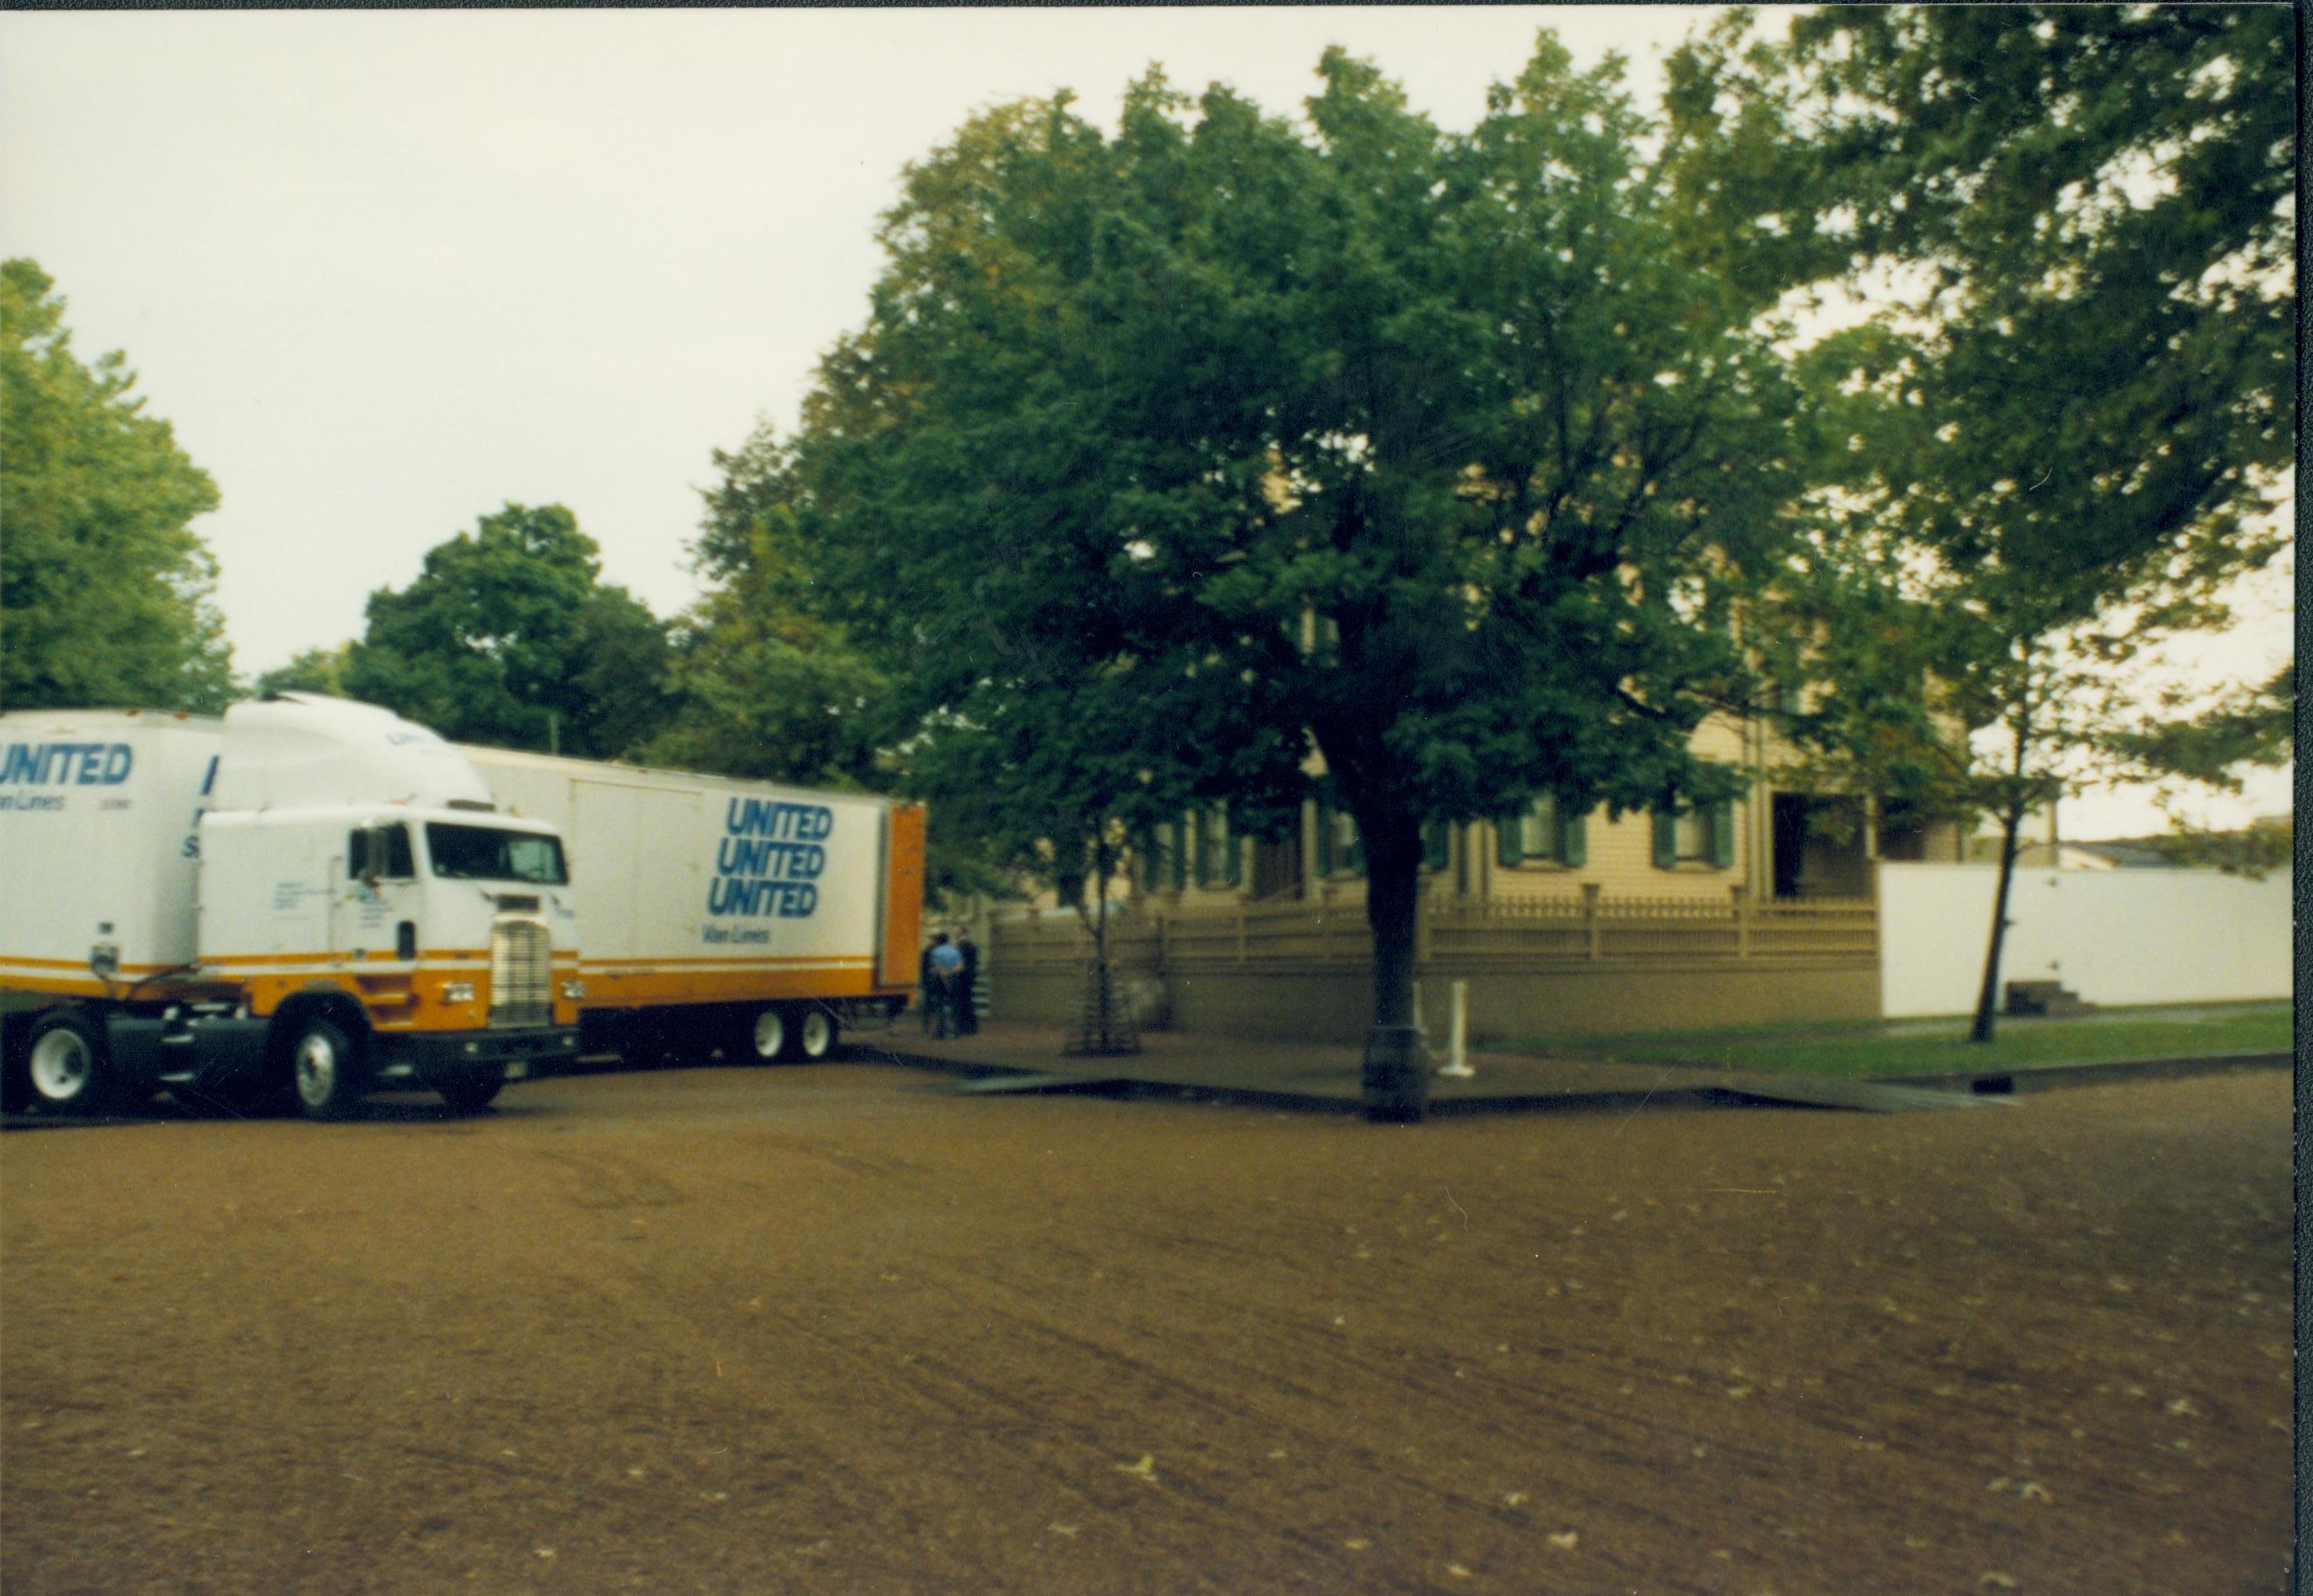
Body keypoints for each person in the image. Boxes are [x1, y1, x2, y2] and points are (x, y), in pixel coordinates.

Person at [927, 936, 965, 1039]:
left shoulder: (936, 952)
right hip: (955, 980)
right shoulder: (955, 951)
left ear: (938, 941)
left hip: (939, 980)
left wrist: (945, 975)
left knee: (940, 1007)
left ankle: (941, 1032)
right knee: (955, 1006)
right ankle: (957, 1032)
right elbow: (960, 966)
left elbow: (937, 967)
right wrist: (950, 973)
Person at [951, 927, 980, 1036]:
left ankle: (962, 1027)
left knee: (960, 1002)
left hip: (961, 977)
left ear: (961, 932)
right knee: (968, 1001)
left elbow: (959, 962)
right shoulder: (971, 944)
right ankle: (971, 1027)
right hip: (969, 977)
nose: (954, 933)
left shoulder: (961, 945)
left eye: (956, 931)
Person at [919, 933, 949, 1036]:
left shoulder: (929, 950)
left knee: (931, 1006)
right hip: (934, 981)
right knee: (935, 1006)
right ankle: (931, 1028)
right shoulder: (939, 951)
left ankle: (933, 1028)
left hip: (933, 981)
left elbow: (923, 967)